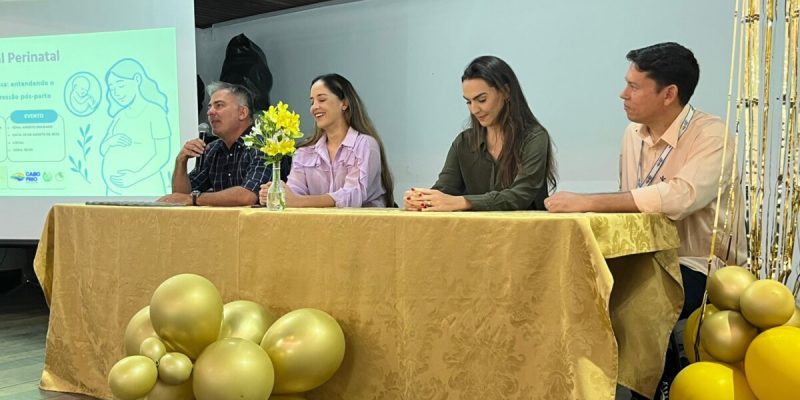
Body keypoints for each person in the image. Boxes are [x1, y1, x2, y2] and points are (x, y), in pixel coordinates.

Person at [545, 42, 745, 397]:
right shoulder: (632, 135)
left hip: (700, 264)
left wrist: (589, 202)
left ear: (669, 94)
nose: (623, 94)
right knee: (572, 287)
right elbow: (632, 203)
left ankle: (648, 391)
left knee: (636, 303)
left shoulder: (711, 134)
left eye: (634, 87)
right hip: (645, 255)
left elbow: (680, 197)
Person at [403, 55, 556, 211]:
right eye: (468, 102)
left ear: (506, 92)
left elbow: (519, 196)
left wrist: (464, 202)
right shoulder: (463, 142)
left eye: (481, 99)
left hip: (525, 227)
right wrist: (422, 199)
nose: (474, 110)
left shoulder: (534, 138)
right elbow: (444, 189)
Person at [258, 73, 394, 208]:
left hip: (362, 222)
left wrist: (300, 202)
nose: (314, 107)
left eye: (322, 100)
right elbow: (294, 194)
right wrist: (278, 192)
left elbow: (353, 195)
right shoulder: (304, 151)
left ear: (344, 103)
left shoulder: (365, 145)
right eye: (312, 102)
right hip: (317, 222)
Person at [160, 81, 287, 206]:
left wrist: (194, 199)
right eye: (209, 107)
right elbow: (180, 198)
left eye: (219, 105)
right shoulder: (213, 149)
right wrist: (181, 161)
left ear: (242, 112)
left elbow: (248, 196)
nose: (210, 112)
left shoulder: (264, 144)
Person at [100, 58, 171, 195]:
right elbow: (103, 149)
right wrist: (110, 141)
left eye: (120, 85)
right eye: (112, 88)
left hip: (146, 188)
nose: (116, 92)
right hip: (114, 195)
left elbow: (162, 155)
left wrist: (135, 177)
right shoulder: (120, 116)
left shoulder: (155, 113)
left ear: (137, 79)